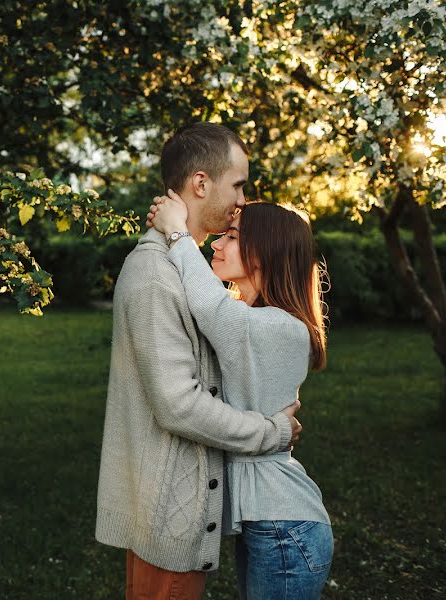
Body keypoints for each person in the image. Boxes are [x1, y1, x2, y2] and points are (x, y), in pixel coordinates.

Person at [95, 123, 302, 600]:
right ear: (202, 183)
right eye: (239, 184)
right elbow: (178, 405)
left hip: (180, 512)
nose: (243, 200)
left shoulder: (181, 270)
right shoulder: (154, 274)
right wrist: (271, 432)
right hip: (168, 517)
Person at [148, 192, 333, 600]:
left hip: (285, 529)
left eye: (230, 236)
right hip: (270, 525)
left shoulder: (277, 328)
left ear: (263, 253)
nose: (217, 243)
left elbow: (210, 306)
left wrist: (178, 229)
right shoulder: (254, 322)